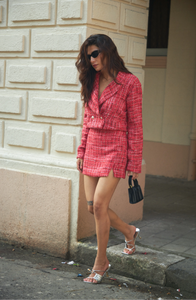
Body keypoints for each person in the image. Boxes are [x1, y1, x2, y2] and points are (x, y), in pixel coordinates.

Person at [75, 34, 143, 284]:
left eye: (95, 54)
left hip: (115, 149)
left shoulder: (130, 82)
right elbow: (86, 121)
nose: (91, 59)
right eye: (88, 55)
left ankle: (101, 263)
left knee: (101, 205)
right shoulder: (91, 80)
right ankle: (128, 231)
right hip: (92, 147)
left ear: (107, 51)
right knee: (93, 208)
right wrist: (81, 151)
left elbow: (135, 125)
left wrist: (134, 163)